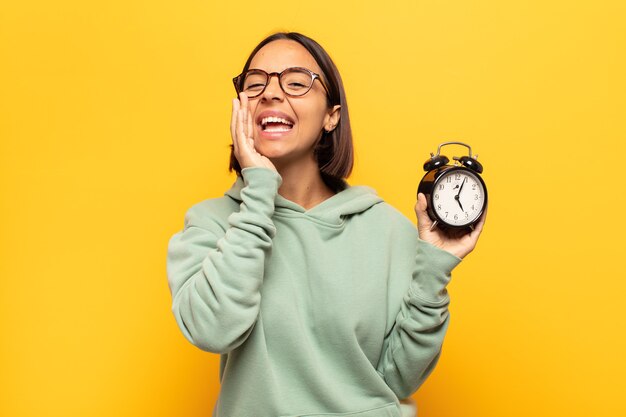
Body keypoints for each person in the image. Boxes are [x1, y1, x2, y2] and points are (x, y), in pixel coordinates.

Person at [166, 32, 486, 417]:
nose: (270, 92)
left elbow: (397, 378)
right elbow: (212, 329)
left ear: (332, 115)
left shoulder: (385, 229)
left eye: (297, 82)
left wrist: (434, 268)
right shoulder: (210, 224)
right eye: (255, 84)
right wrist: (259, 193)